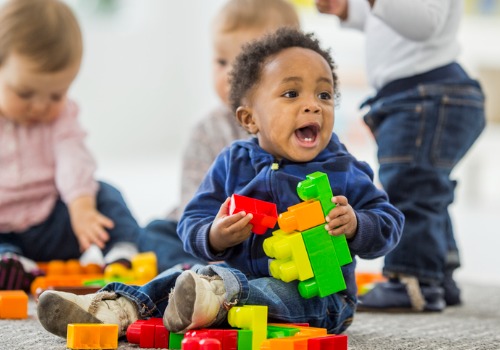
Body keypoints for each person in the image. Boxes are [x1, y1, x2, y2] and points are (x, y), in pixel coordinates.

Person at [37, 28, 404, 339]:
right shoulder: (233, 162)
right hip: (227, 278)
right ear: (250, 119)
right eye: (292, 94)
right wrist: (215, 235)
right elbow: (191, 220)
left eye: (324, 95)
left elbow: (389, 221)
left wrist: (357, 224)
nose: (313, 106)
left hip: (321, 299)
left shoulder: (344, 168)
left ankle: (209, 297)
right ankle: (121, 307)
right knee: (184, 273)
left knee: (267, 290)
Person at [315, 0, 486, 311]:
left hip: (426, 94)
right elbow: (387, 20)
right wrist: (347, 10)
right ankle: (439, 275)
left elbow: (425, 22)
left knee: (411, 185)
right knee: (426, 184)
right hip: (420, 94)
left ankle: (413, 279)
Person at [139, 0, 301, 272]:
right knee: (154, 233)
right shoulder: (207, 130)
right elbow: (192, 201)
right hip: (214, 233)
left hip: (273, 234)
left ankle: (220, 274)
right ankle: (195, 273)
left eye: (242, 65)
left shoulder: (295, 125)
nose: (228, 75)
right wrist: (214, 231)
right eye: (221, 61)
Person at [0, 0, 141, 292]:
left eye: (56, 95)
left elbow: (72, 158)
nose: (39, 106)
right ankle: (11, 264)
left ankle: (122, 252)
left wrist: (81, 207)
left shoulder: (62, 117)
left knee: (106, 194)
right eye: (24, 93)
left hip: (55, 220)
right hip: (4, 225)